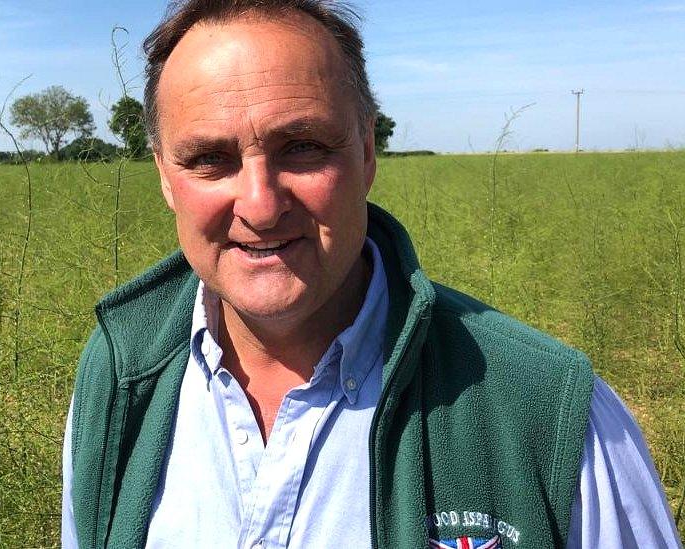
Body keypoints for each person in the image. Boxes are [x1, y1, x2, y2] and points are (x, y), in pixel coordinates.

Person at [62, 1, 682, 547]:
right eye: (209, 159)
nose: (260, 203)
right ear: (166, 179)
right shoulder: (119, 379)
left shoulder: (550, 416)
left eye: (302, 147)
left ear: (366, 153)